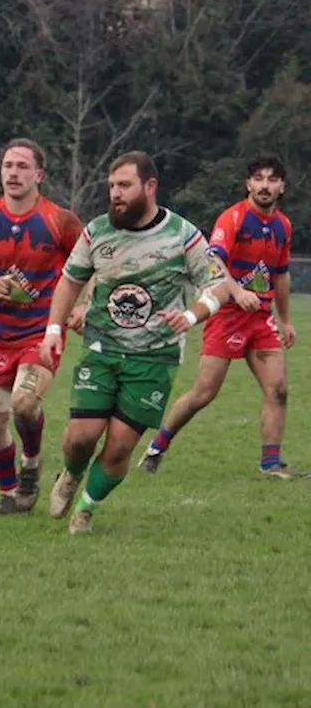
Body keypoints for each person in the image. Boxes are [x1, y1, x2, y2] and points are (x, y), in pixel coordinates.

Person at [39, 151, 232, 535]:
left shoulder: (183, 235)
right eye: (112, 186)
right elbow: (70, 281)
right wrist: (54, 330)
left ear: (150, 186)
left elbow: (218, 285)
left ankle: (86, 510)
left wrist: (191, 315)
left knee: (119, 448)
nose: (115, 194)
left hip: (155, 357)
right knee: (81, 438)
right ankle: (71, 473)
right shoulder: (97, 231)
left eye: (124, 186)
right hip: (102, 348)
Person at [138, 156, 295, 478]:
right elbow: (213, 263)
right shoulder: (233, 218)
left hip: (261, 318)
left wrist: (286, 319)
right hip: (226, 315)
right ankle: (157, 446)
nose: (265, 185)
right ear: (248, 184)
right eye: (259, 179)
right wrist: (237, 292)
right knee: (204, 393)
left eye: (272, 179)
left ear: (282, 187)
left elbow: (281, 274)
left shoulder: (283, 225)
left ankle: (271, 465)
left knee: (278, 389)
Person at [0, 138, 85, 515]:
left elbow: (89, 265)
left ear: (39, 175)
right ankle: (11, 493)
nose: (13, 173)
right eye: (7, 166)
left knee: (24, 402)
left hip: (43, 331)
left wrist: (83, 305)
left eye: (22, 166)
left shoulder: (59, 220)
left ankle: (31, 462)